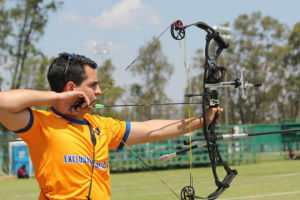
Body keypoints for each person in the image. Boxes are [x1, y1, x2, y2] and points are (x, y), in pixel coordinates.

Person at [0, 53, 222, 200]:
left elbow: (148, 130)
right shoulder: (41, 124)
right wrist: (56, 98)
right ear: (71, 87)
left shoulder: (100, 126)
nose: (98, 91)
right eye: (93, 85)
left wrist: (201, 121)